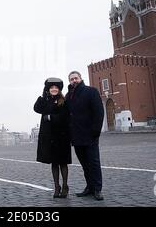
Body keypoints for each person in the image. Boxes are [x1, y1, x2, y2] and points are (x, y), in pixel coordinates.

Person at [65, 71, 105, 201]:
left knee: (94, 163)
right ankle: (89, 187)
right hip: (76, 137)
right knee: (85, 164)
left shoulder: (91, 91)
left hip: (90, 135)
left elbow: (99, 112)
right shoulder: (68, 96)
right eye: (71, 79)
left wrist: (96, 131)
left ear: (80, 78)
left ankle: (97, 190)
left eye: (76, 78)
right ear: (69, 81)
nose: (74, 81)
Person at [34, 78, 72, 198]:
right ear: (48, 90)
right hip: (50, 137)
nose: (54, 89)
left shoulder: (63, 101)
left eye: (56, 88)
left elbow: (65, 117)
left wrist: (51, 117)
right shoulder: (45, 101)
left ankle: (65, 186)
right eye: (51, 88)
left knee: (63, 163)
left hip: (62, 136)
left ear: (59, 89)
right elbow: (36, 108)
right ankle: (57, 187)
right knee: (54, 163)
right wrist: (42, 94)